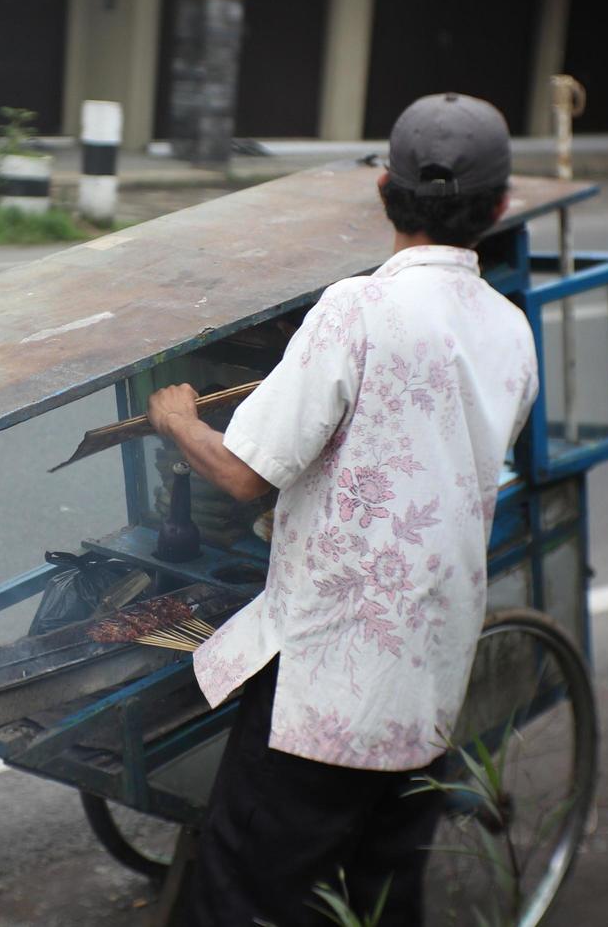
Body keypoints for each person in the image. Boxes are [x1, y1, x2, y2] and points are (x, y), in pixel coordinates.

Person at [146, 92, 540, 927]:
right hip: (429, 677)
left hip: (329, 687)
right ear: (499, 208)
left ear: (384, 194)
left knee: (248, 901)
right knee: (382, 897)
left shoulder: (356, 311)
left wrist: (177, 417)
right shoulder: (511, 331)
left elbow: (246, 474)